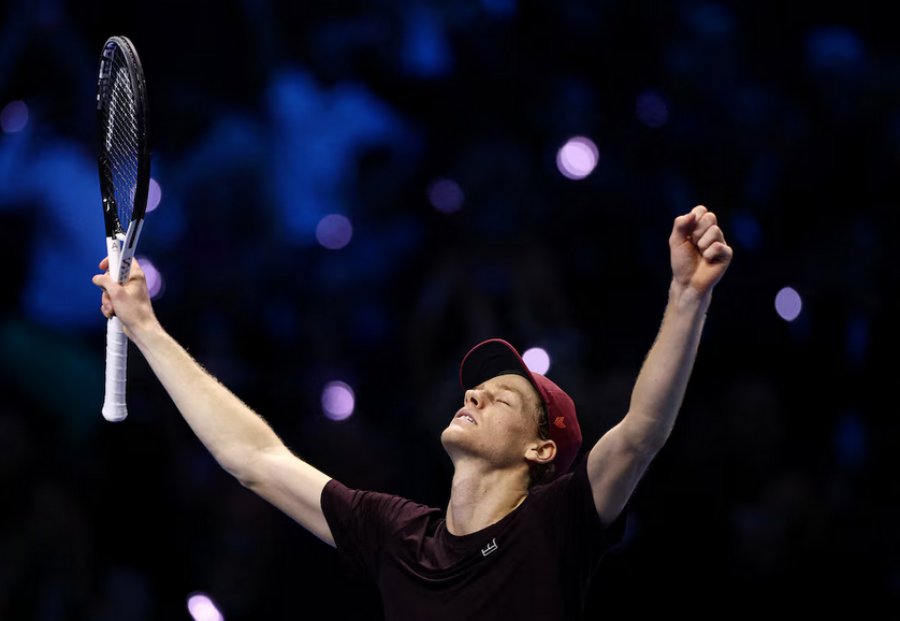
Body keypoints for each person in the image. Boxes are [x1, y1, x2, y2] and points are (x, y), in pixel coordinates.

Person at [92, 204, 733, 620]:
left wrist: (686, 297)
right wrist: (147, 328)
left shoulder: (556, 524)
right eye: (477, 389)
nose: (474, 395)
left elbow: (640, 433)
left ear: (540, 450)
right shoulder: (397, 535)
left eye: (504, 397)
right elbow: (254, 458)